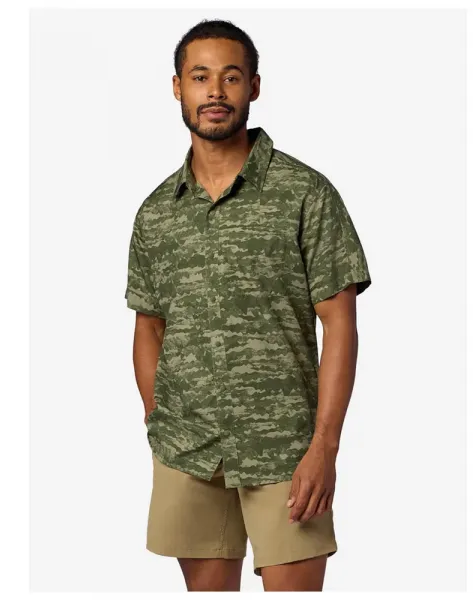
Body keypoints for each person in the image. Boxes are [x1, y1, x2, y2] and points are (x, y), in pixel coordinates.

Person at [125, 18, 372, 592]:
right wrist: (159, 419)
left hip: (285, 450)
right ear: (177, 87)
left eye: (231, 77)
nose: (215, 91)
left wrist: (325, 446)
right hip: (187, 450)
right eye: (200, 77)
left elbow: (339, 323)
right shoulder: (156, 212)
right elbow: (149, 327)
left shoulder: (304, 192)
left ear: (254, 87)